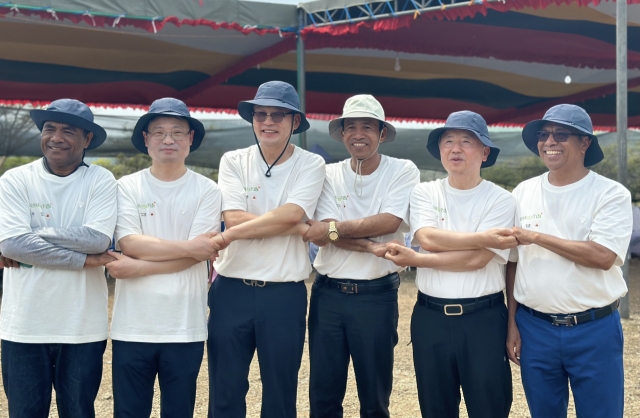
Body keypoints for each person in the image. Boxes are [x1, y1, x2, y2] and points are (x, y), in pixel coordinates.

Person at [385, 111, 516, 418]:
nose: (455, 148)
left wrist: (417, 260)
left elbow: (479, 259)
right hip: (431, 318)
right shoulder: (425, 192)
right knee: (435, 407)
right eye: (448, 141)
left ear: (484, 151)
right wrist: (482, 236)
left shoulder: (502, 200)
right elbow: (428, 237)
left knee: (489, 406)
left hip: (483, 318)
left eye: (466, 141)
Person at [207, 81, 325, 418]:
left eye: (278, 115)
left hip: (283, 294)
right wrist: (295, 227)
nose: (268, 122)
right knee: (225, 389)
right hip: (231, 290)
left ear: (295, 122)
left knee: (280, 391)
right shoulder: (233, 160)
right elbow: (231, 216)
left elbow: (291, 213)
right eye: (261, 114)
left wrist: (240, 232)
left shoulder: (311, 164)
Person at [506, 104, 632, 418]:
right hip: (535, 327)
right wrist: (512, 324)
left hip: (594, 328)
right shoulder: (523, 192)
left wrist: (537, 237)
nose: (549, 141)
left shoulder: (610, 194)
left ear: (585, 142)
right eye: (543, 135)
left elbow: (603, 256)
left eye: (561, 134)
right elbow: (512, 263)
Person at [303, 94, 420, 417]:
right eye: (350, 127)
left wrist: (334, 229)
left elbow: (390, 221)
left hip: (376, 296)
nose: (358, 134)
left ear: (382, 134)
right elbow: (320, 232)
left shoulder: (402, 170)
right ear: (341, 134)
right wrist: (371, 246)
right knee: (324, 394)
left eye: (367, 127)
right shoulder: (327, 173)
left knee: (374, 394)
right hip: (328, 294)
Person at [105, 98, 221, 418]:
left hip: (185, 326)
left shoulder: (208, 190)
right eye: (158, 132)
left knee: (179, 411)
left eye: (176, 132)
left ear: (190, 139)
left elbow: (201, 253)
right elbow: (130, 243)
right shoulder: (125, 187)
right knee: (129, 412)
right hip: (133, 327)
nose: (168, 140)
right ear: (146, 139)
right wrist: (188, 248)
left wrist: (138, 266)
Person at [0, 99, 117, 417]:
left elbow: (97, 239)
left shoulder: (100, 181)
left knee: (79, 411)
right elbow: (11, 245)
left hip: (81, 327)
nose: (56, 137)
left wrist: (30, 236)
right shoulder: (15, 179)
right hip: (24, 325)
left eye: (68, 130)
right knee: (24, 412)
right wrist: (82, 260)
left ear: (87, 139)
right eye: (49, 128)